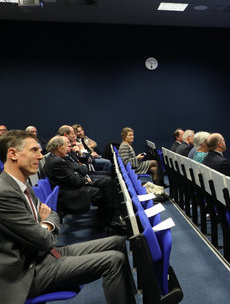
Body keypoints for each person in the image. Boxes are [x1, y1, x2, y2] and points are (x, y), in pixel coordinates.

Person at [0, 130, 136, 304]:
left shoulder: (22, 184)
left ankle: (128, 296)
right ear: (12, 154)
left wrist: (45, 223)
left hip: (45, 254)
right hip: (27, 273)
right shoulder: (4, 192)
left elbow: (52, 213)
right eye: (34, 150)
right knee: (113, 260)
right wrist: (47, 226)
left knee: (117, 241)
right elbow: (44, 239)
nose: (41, 156)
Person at [43, 136, 121, 226]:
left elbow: (79, 171)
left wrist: (79, 174)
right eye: (66, 145)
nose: (69, 146)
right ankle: (111, 220)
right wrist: (83, 178)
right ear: (59, 148)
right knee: (106, 192)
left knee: (108, 181)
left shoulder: (61, 158)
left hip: (77, 186)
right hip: (72, 193)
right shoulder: (55, 162)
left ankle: (110, 218)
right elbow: (76, 180)